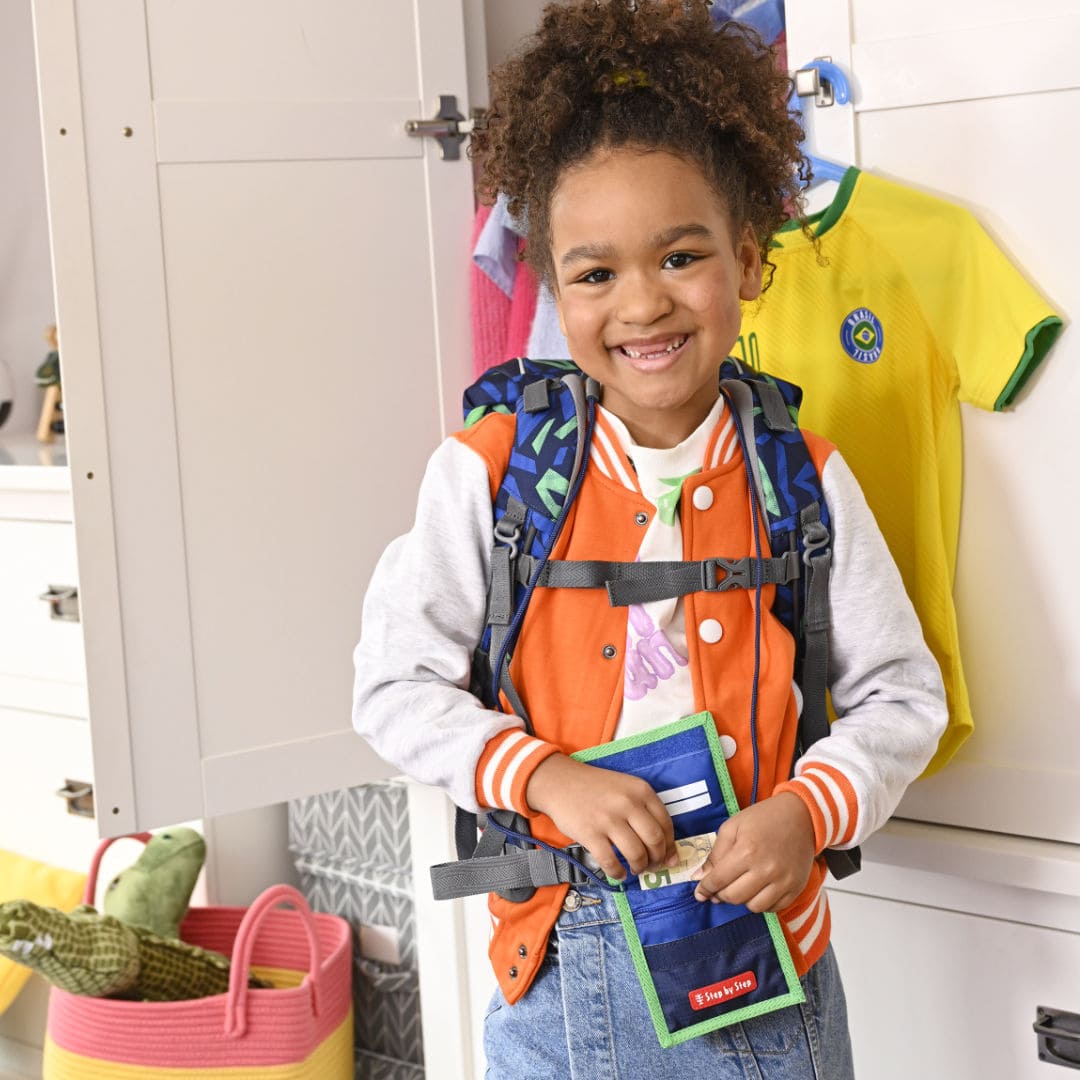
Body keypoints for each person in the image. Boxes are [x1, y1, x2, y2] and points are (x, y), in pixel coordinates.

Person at [353, 2, 947, 1075]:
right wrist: (545, 779)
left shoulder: (803, 478)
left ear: (748, 260)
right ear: (552, 286)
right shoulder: (489, 472)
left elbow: (903, 697)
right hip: (554, 981)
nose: (642, 304)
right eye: (596, 274)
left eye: (680, 256)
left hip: (769, 972)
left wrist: (807, 814)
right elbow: (393, 688)